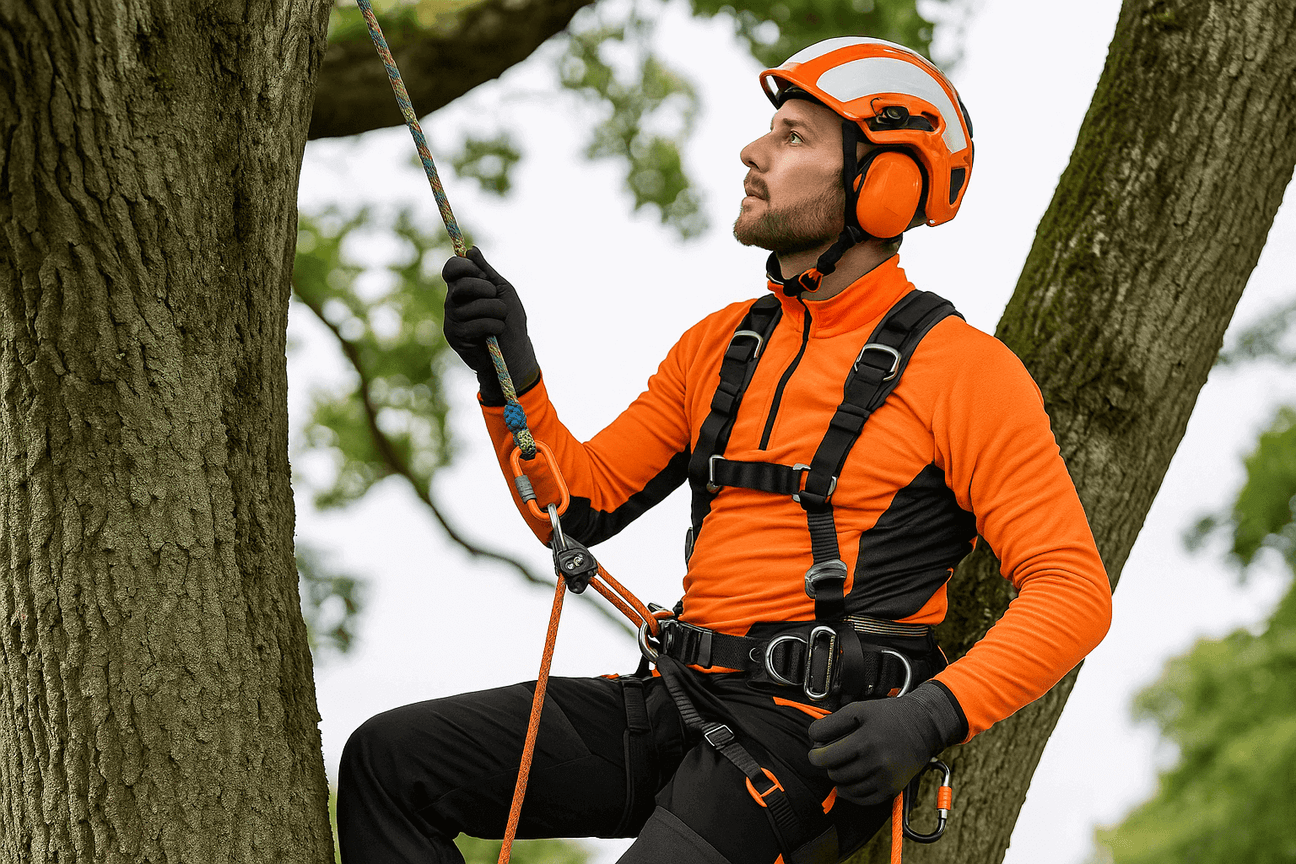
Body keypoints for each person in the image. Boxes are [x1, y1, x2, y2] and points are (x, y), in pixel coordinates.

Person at [337, 36, 1112, 864]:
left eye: (794, 137)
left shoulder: (963, 371)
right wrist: (510, 378)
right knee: (390, 764)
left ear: (882, 184)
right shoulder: (719, 346)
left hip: (810, 742)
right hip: (677, 699)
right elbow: (581, 504)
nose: (752, 151)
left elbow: (1071, 589)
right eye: (768, 131)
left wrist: (929, 717)